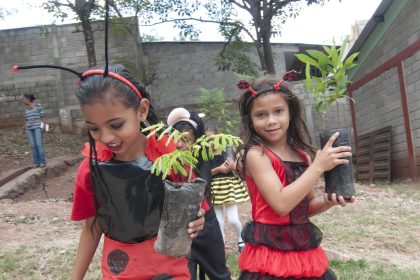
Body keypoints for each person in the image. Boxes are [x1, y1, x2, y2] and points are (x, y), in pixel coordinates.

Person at [70, 65, 205, 280]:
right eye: (94, 128)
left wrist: (198, 220)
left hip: (169, 270)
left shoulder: (170, 157)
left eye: (116, 125)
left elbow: (196, 209)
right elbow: (92, 228)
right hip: (120, 270)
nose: (105, 137)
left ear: (141, 110)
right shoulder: (92, 168)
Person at [236, 74, 356, 279]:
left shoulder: (301, 155)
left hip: (302, 249)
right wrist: (317, 167)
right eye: (261, 115)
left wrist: (329, 201)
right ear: (251, 120)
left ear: (290, 112)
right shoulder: (257, 155)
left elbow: (303, 209)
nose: (271, 120)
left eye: (278, 111)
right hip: (270, 253)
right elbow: (281, 204)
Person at [167, 107, 231, 280]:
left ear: (197, 140)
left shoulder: (203, 158)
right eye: (175, 139)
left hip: (206, 225)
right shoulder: (166, 164)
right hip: (179, 230)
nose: (180, 144)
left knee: (220, 275)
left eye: (185, 139)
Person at [205, 127, 249, 253]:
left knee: (233, 219)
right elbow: (205, 173)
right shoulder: (205, 154)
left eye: (213, 139)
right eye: (207, 140)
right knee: (218, 221)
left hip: (228, 187)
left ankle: (241, 239)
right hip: (214, 190)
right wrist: (218, 169)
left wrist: (233, 166)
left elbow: (234, 167)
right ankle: (222, 245)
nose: (211, 143)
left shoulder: (226, 149)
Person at [22, 94, 47, 168]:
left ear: (28, 99)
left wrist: (44, 126)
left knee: (39, 145)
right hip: (29, 129)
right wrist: (23, 128)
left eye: (24, 99)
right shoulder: (26, 109)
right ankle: (36, 162)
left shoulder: (38, 106)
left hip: (37, 128)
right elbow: (26, 120)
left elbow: (43, 117)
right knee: (33, 146)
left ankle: (42, 162)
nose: (23, 100)